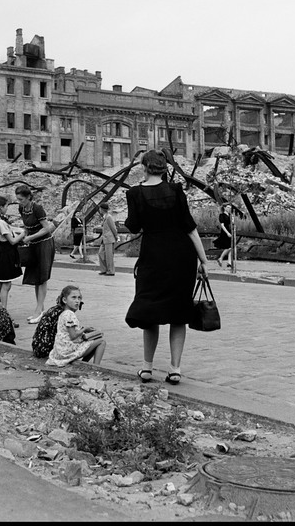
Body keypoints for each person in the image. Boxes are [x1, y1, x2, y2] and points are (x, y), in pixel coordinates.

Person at [124, 149, 209, 386]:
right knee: (178, 313)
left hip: (153, 257)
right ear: (163, 168)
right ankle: (175, 369)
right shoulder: (175, 190)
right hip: (181, 257)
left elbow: (133, 226)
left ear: (144, 167)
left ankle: (147, 367)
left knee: (149, 311)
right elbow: (190, 228)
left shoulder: (135, 193)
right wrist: (203, 261)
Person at [15, 184, 56, 325]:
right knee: (35, 277)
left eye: (21, 199)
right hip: (33, 244)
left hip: (44, 244)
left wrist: (30, 238)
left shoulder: (37, 208)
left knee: (42, 277)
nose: (19, 202)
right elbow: (26, 228)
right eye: (18, 199)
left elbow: (47, 228)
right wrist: (22, 236)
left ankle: (38, 310)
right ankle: (40, 309)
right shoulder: (21, 208)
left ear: (28, 197)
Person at [46, 285, 106, 366]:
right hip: (67, 351)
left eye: (79, 298)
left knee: (94, 340)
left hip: (61, 350)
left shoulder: (64, 313)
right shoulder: (69, 314)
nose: (77, 301)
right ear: (64, 300)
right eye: (73, 298)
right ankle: (96, 367)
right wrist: (84, 329)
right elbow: (73, 336)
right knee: (101, 342)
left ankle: (85, 364)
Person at [0, 195, 26, 328]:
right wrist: (23, 233)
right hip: (7, 254)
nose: (6, 209)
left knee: (1, 284)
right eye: (6, 206)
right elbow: (12, 241)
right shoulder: (0, 222)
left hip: (2, 253)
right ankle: (4, 315)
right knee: (6, 285)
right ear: (0, 207)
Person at [97, 202, 119, 275]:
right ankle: (104, 269)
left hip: (109, 238)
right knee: (100, 253)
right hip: (105, 238)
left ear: (102, 209)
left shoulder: (109, 217)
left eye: (100, 208)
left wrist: (116, 236)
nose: (99, 210)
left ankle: (110, 271)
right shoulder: (105, 217)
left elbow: (113, 227)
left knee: (109, 255)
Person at [214, 203, 233, 268]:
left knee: (231, 247)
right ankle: (221, 258)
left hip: (230, 231)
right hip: (225, 232)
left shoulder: (230, 215)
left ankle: (229, 262)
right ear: (224, 208)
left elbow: (232, 223)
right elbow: (222, 225)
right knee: (229, 247)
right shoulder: (222, 215)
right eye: (228, 207)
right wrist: (227, 233)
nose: (229, 209)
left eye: (230, 208)